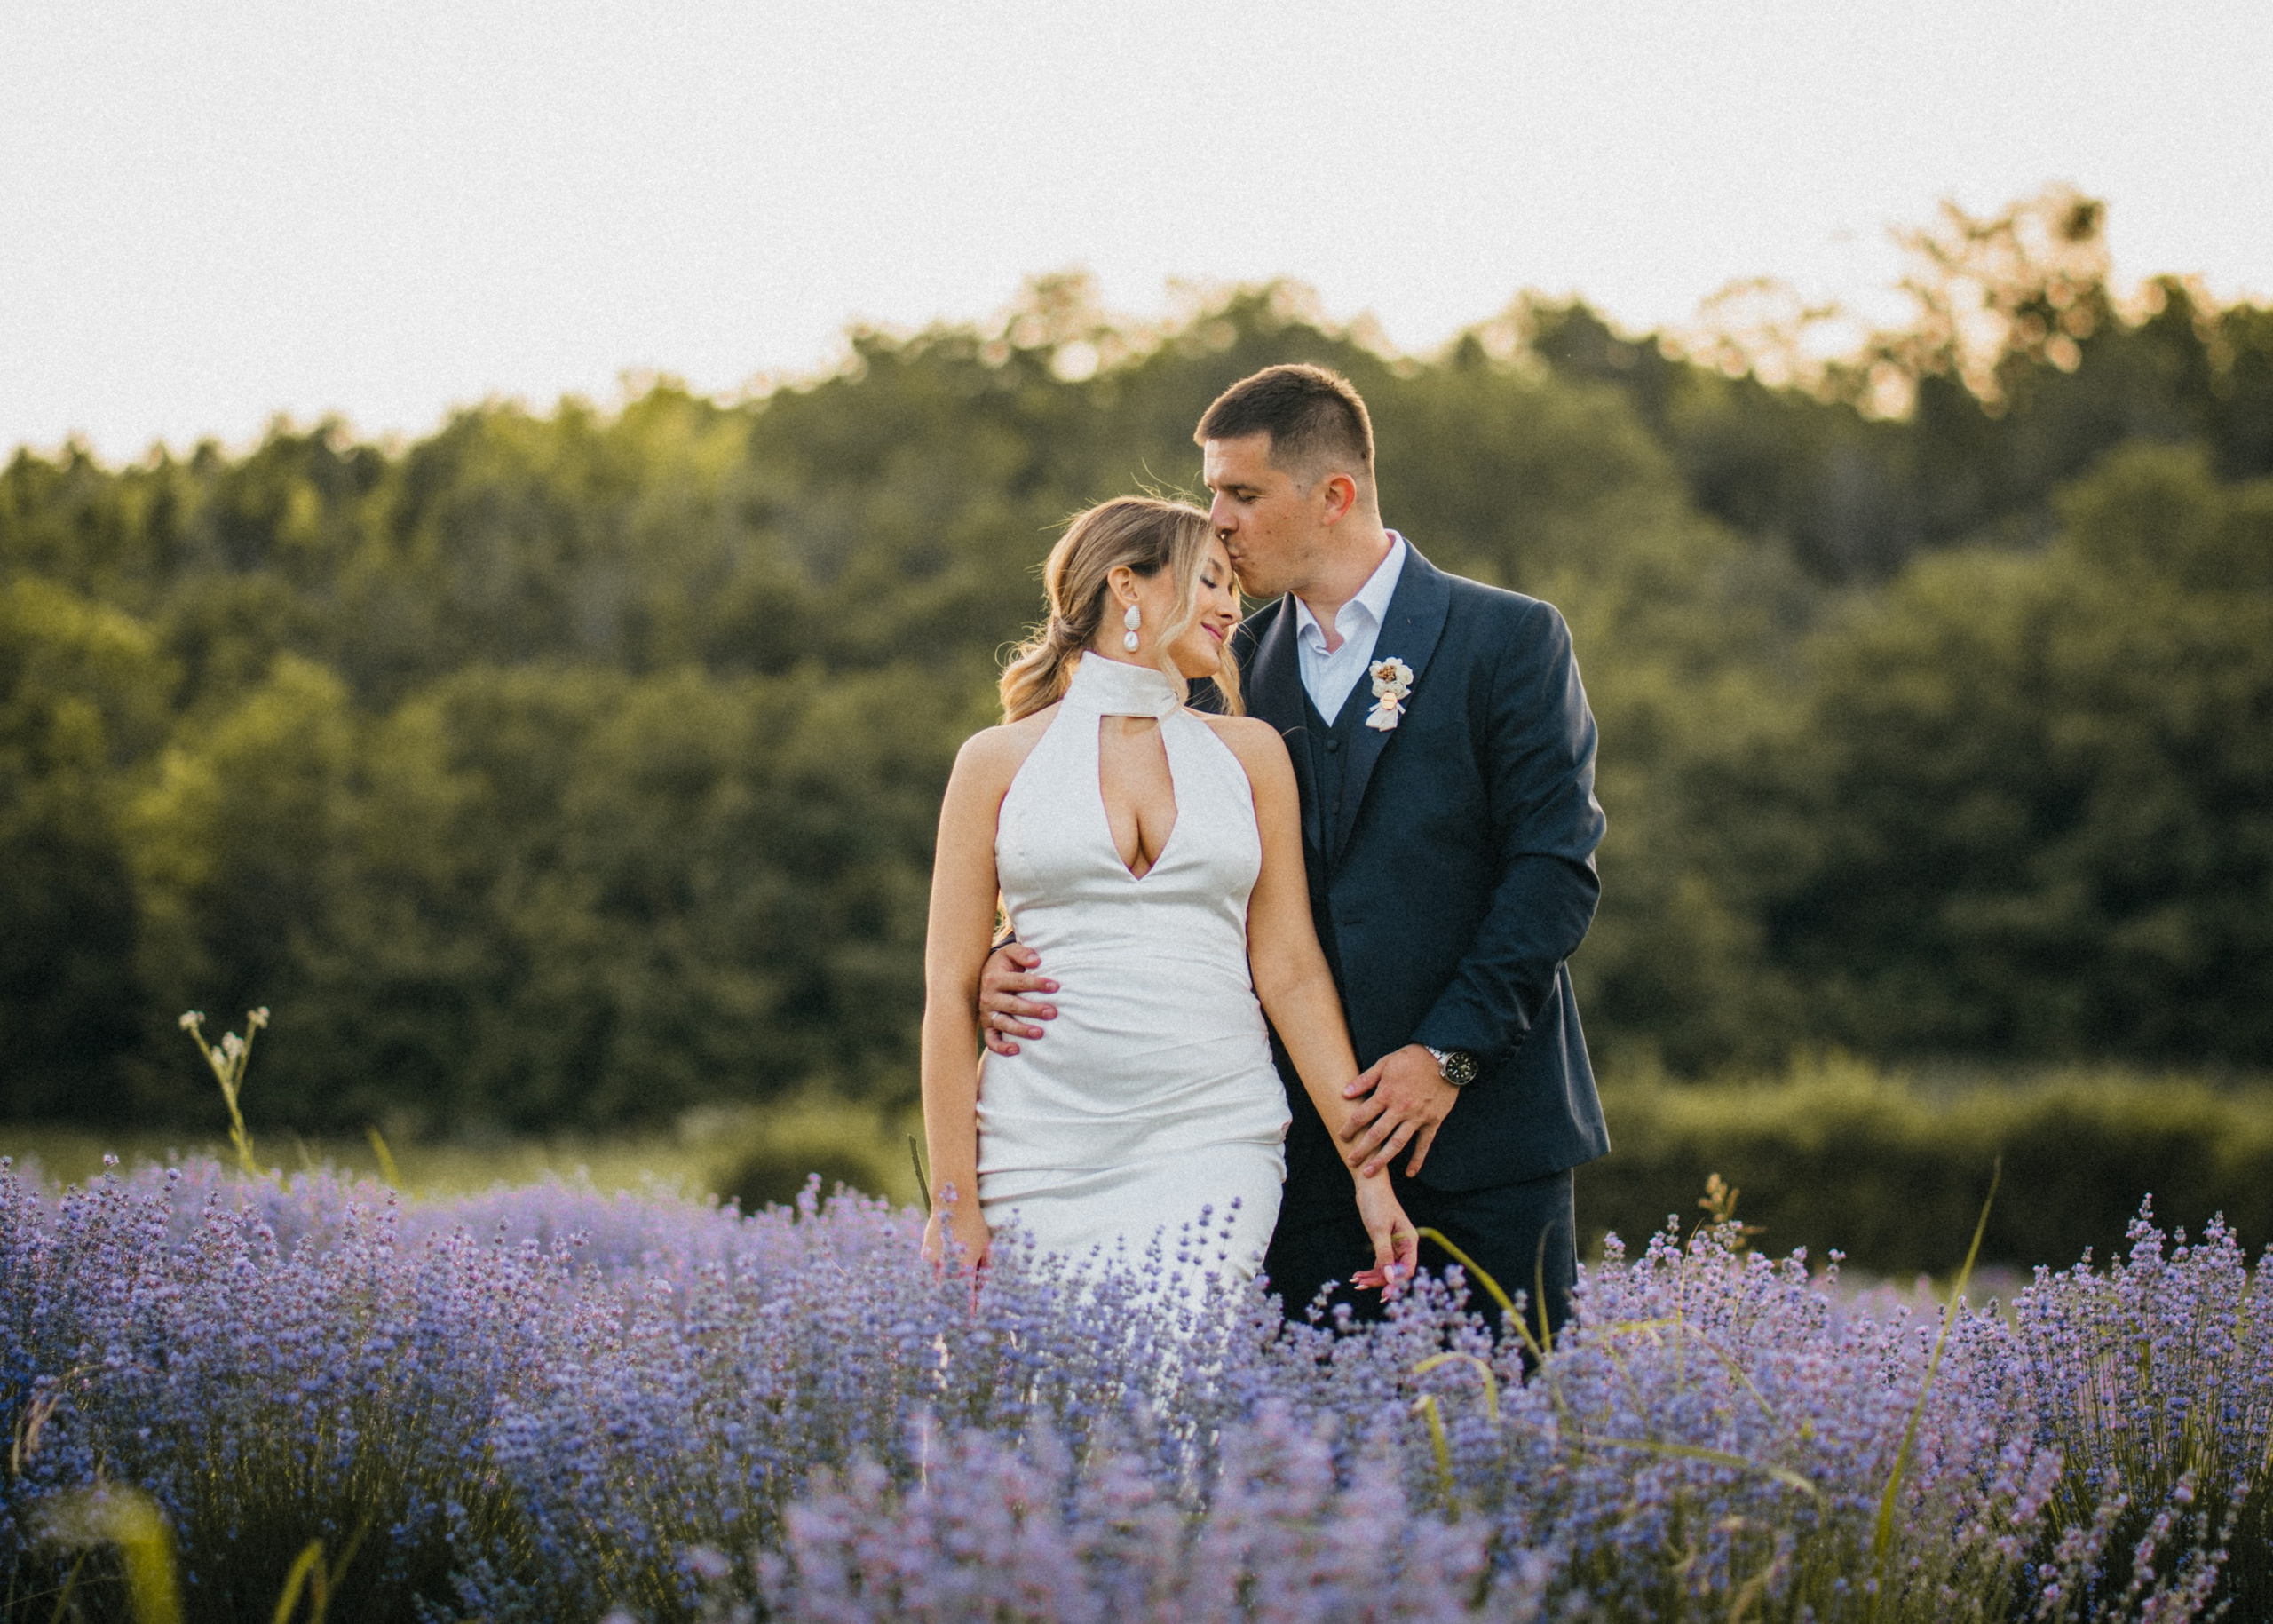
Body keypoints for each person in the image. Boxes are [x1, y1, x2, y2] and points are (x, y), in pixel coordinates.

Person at [983, 365, 1608, 1336]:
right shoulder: (1213, 677)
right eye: (1211, 494)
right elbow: (1130, 867)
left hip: (1489, 1135)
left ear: (1333, 495)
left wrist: (1447, 1054)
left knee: (1503, 1444)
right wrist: (1004, 961)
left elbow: (1552, 870)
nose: (1216, 523)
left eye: (1241, 493)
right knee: (1300, 1466)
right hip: (1286, 1151)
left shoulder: (1510, 639)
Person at [919, 495, 1420, 1310]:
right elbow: (947, 994)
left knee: (1175, 1402)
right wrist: (953, 1206)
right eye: (1211, 580)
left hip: (1214, 1133)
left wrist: (1370, 1176)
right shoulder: (995, 761)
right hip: (1036, 1143)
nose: (1234, 605)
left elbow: (1290, 972)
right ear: (1129, 585)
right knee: (1031, 1423)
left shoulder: (1251, 755)